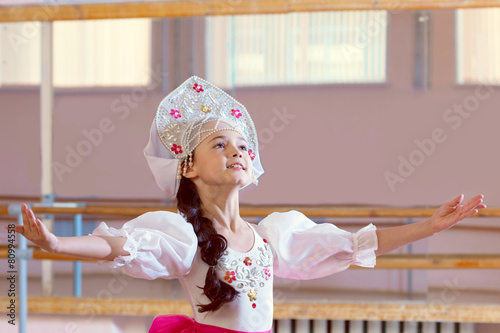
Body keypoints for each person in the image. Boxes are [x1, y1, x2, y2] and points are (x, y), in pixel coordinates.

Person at [12, 76, 486, 333]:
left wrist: (429, 226)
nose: (237, 150)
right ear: (188, 167)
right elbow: (120, 246)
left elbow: (353, 243)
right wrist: (55, 242)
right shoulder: (183, 235)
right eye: (220, 144)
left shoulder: (271, 237)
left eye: (241, 144)